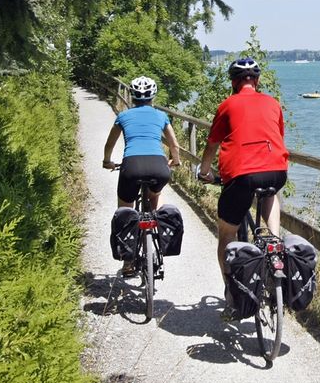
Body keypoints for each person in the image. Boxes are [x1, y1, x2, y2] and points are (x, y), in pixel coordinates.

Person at [197, 57, 289, 302]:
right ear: (257, 81)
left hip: (241, 175)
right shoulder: (273, 103)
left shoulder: (227, 105)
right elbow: (278, 136)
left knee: (226, 235)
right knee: (271, 193)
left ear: (234, 82)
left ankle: (232, 294)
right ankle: (274, 243)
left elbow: (212, 144)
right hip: (276, 170)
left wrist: (205, 171)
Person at [103, 75, 181, 274]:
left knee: (125, 208)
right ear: (152, 97)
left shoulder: (123, 116)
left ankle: (128, 262)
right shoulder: (161, 116)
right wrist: (176, 161)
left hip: (132, 166)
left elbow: (109, 144)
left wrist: (107, 161)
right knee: (155, 194)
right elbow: (174, 144)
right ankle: (158, 225)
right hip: (158, 166)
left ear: (133, 96)